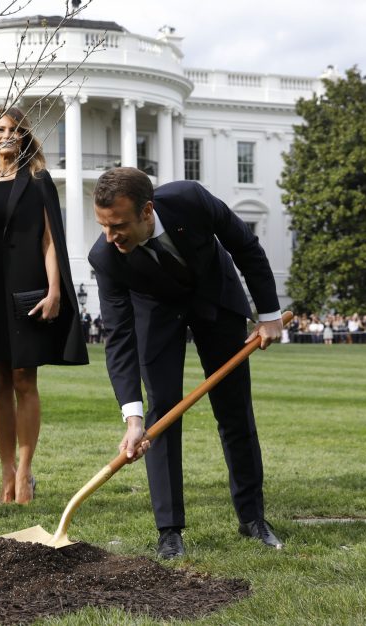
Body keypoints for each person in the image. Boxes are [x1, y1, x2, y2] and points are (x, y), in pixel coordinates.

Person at [88, 166, 284, 559]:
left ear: (147, 211)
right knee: (161, 414)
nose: (110, 237)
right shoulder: (106, 257)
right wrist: (133, 418)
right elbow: (120, 339)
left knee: (234, 412)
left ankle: (252, 518)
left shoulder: (191, 200)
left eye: (119, 225)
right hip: (157, 313)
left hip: (215, 299)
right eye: (104, 226)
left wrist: (269, 315)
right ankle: (169, 531)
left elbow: (245, 246)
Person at [0, 107, 88, 504]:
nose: (7, 136)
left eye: (15, 130)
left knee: (23, 380)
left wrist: (54, 291)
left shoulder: (38, 180)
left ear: (24, 137)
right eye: (0, 129)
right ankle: (6, 473)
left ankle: (26, 474)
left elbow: (51, 240)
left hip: (26, 289)